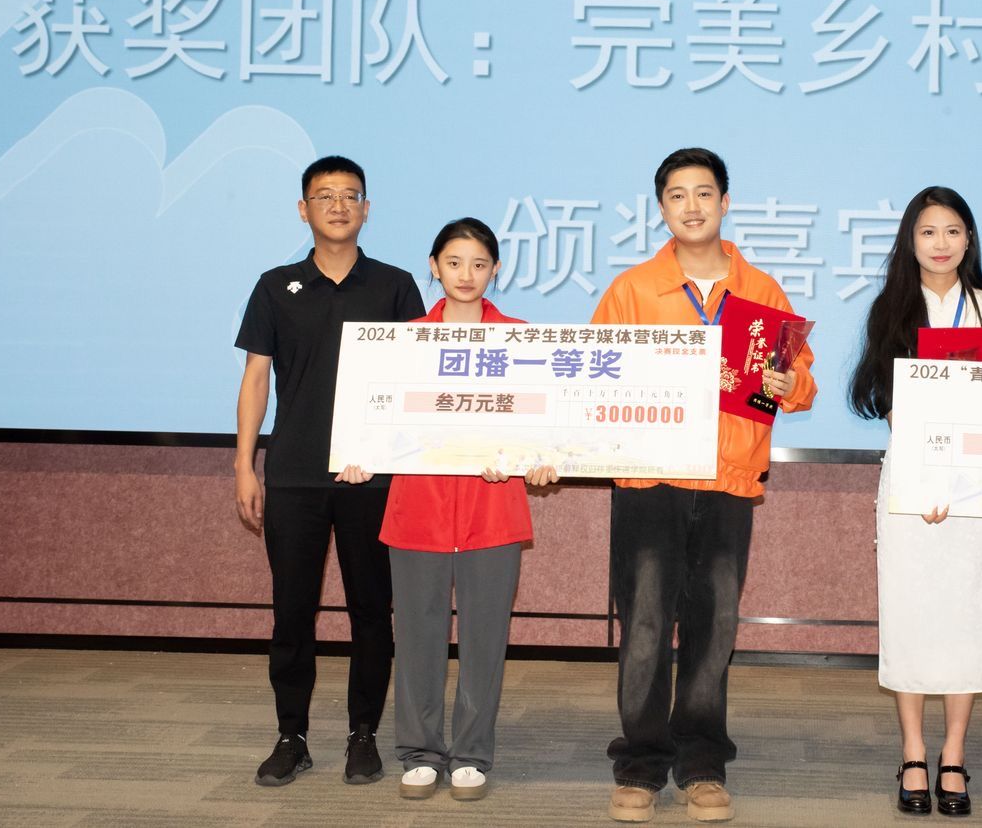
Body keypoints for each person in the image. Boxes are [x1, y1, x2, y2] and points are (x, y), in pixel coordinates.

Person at [592, 147, 816, 824]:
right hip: (649, 478)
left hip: (728, 479)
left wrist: (787, 382)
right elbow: (597, 376)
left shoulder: (762, 292)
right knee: (644, 623)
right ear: (661, 207)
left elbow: (800, 383)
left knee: (714, 627)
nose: (692, 206)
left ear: (725, 202)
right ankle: (640, 763)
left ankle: (701, 764)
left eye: (704, 193)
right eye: (677, 195)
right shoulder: (632, 291)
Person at [337, 218, 557, 802]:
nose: (466, 274)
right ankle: (419, 752)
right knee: (417, 637)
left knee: (485, 639)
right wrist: (359, 455)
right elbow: (375, 420)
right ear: (433, 267)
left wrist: (540, 460)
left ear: (495, 271)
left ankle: (472, 754)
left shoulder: (521, 340)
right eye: (454, 262)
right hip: (418, 510)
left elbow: (543, 426)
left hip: (493, 511)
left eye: (479, 264)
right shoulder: (402, 341)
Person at [234, 156, 424, 787]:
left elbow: (415, 381)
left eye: (350, 195)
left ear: (367, 209)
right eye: (325, 195)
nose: (338, 205)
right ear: (303, 209)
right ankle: (291, 736)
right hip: (294, 475)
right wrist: (243, 464)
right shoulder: (275, 285)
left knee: (372, 611)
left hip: (373, 478)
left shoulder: (395, 286)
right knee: (291, 613)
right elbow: (256, 378)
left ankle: (362, 734)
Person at [848, 186, 982, 818]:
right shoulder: (892, 309)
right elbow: (892, 405)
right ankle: (913, 751)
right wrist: (927, 480)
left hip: (975, 486)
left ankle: (954, 752)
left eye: (953, 231)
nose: (941, 243)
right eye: (928, 231)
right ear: (911, 240)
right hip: (911, 481)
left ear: (969, 239)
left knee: (964, 615)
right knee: (910, 615)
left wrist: (959, 478)